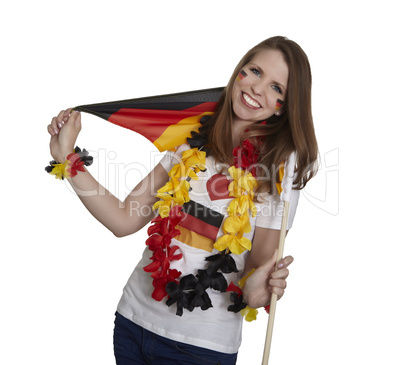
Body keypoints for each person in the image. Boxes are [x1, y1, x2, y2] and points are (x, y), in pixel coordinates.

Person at [47, 36, 318, 364]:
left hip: (200, 348)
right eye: (255, 71)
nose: (259, 89)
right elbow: (124, 219)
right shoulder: (188, 143)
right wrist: (68, 159)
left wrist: (256, 292)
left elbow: (256, 272)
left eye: (277, 88)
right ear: (238, 73)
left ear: (286, 106)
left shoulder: (280, 170)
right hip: (133, 324)